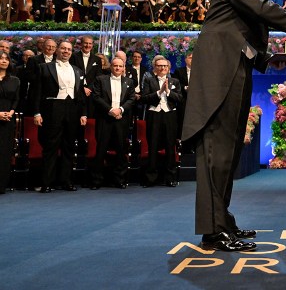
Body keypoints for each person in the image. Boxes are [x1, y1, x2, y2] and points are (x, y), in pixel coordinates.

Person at [181, 0, 286, 252]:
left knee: (227, 152)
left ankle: (221, 221)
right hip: (220, 78)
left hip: (235, 73)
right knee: (218, 151)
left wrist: (274, 59)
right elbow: (262, 9)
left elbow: (245, 39)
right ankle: (213, 230)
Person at [32, 41, 87, 193]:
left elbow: (81, 94)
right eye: (63, 48)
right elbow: (36, 92)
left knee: (69, 146)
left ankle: (66, 181)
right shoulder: (44, 67)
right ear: (57, 50)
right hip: (52, 108)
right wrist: (37, 112)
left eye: (69, 49)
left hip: (73, 109)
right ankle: (46, 182)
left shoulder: (78, 70)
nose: (66, 51)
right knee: (50, 146)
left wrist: (83, 113)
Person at [90, 58, 136, 189]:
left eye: (120, 66)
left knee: (121, 150)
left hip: (122, 119)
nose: (117, 68)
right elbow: (96, 97)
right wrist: (110, 110)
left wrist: (120, 109)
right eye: (115, 66)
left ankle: (120, 180)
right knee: (101, 150)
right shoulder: (101, 79)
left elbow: (132, 98)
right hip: (105, 119)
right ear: (111, 67)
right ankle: (96, 181)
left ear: (123, 68)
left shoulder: (129, 82)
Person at [140, 56, 182, 188]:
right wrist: (160, 92)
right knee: (152, 145)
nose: (163, 68)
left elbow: (180, 98)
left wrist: (168, 92)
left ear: (168, 68)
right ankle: (151, 178)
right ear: (155, 68)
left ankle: (170, 178)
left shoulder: (175, 81)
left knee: (170, 146)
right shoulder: (149, 80)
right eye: (160, 66)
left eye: (165, 66)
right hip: (154, 115)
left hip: (170, 115)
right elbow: (144, 98)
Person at [0, 52, 20, 194]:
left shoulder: (15, 80)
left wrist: (11, 113)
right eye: (1, 58)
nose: (4, 61)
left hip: (8, 119)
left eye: (6, 59)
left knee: (5, 152)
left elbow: (16, 100)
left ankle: (2, 185)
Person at [69, 36, 102, 117]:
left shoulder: (97, 59)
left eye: (90, 43)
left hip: (91, 93)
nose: (88, 45)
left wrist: (89, 88)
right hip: (76, 91)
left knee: (90, 116)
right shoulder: (73, 56)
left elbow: (98, 76)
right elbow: (71, 73)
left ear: (92, 45)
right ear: (81, 44)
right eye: (86, 43)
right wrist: (82, 87)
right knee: (76, 116)